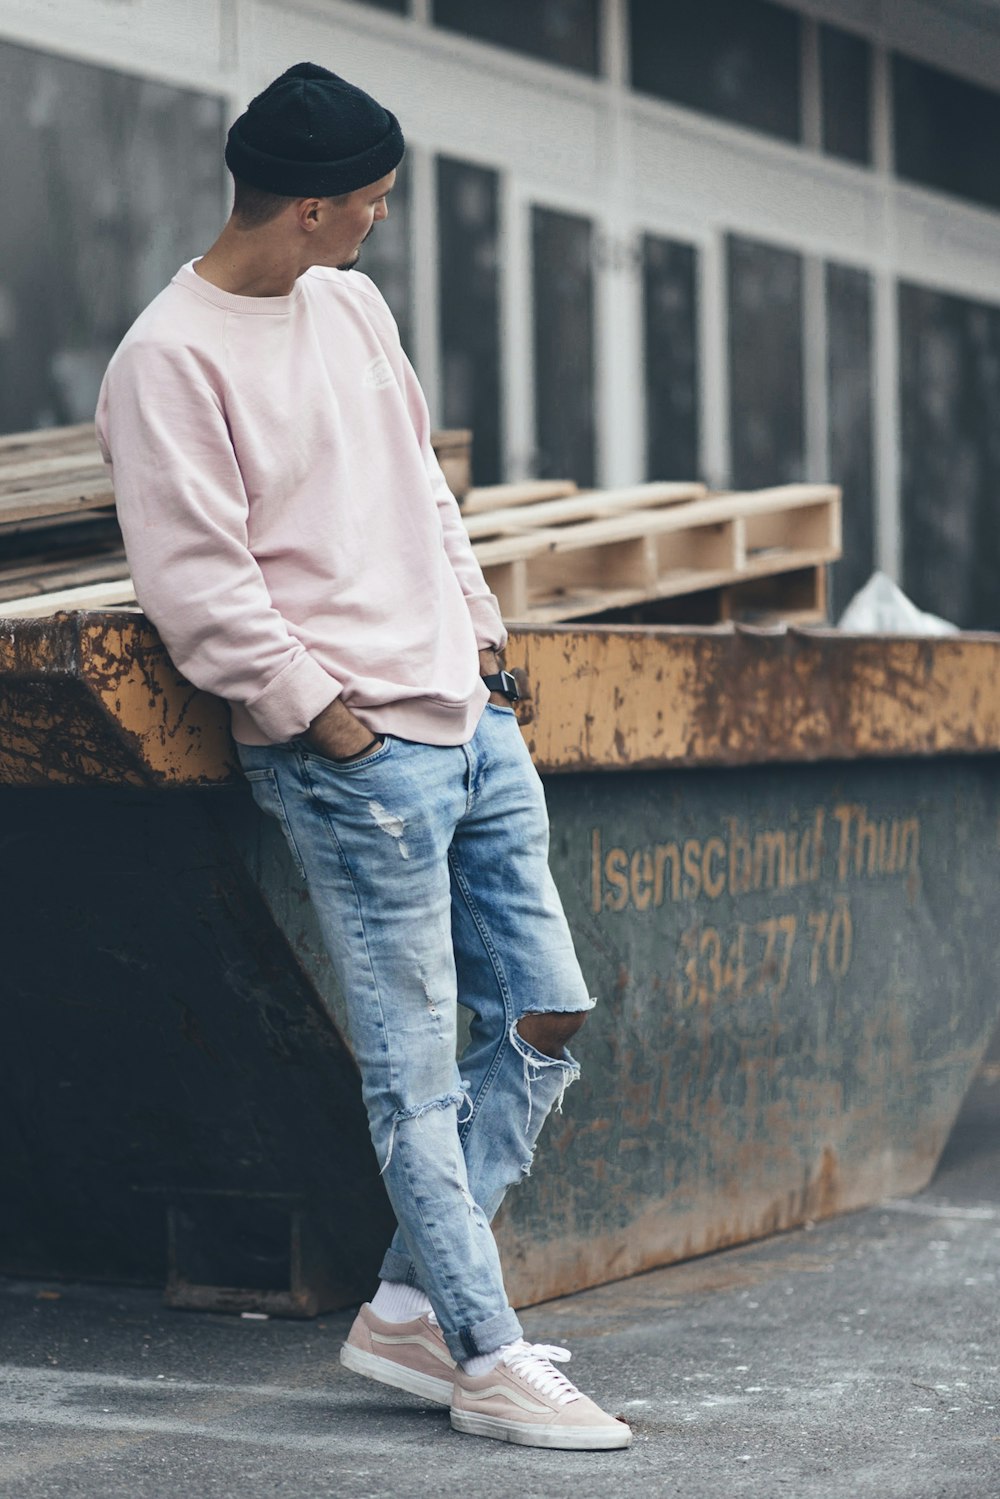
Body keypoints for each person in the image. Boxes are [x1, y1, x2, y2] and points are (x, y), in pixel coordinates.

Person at [96, 61, 630, 1452]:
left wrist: (483, 634)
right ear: (314, 208)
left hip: (465, 715)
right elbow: (199, 585)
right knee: (415, 1078)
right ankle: (489, 1355)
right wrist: (325, 715)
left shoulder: (350, 301)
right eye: (376, 204)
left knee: (547, 1018)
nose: (384, 223)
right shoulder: (169, 358)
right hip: (356, 757)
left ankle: (406, 1309)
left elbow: (418, 488)